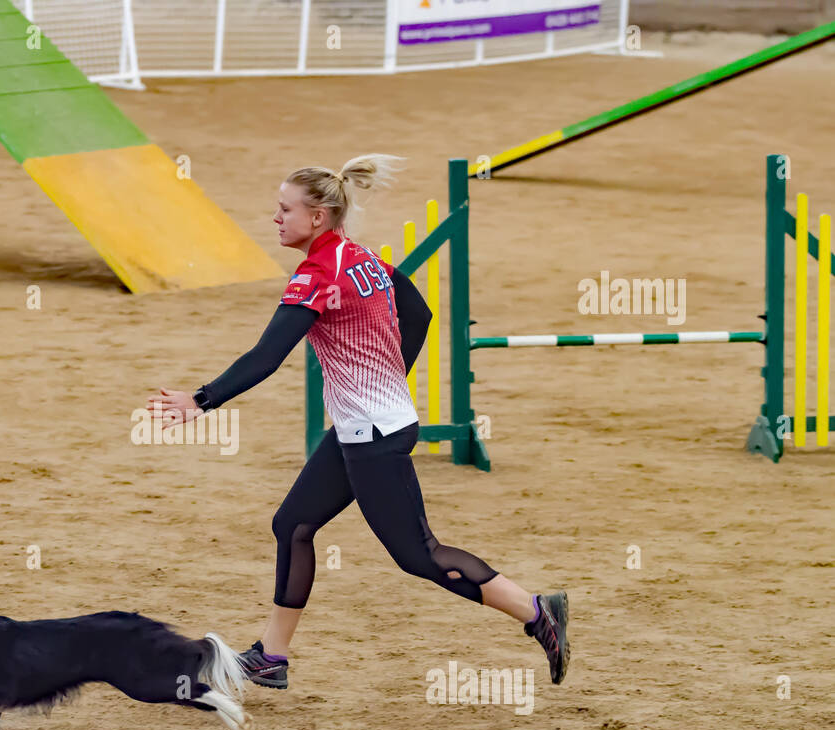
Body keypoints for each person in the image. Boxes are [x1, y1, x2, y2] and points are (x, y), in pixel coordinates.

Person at [146, 154, 569, 690]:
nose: (275, 218)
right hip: (368, 426)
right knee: (293, 525)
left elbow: (267, 357)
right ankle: (271, 657)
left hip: (373, 436)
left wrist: (200, 400)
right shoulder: (359, 257)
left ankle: (536, 611)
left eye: (284, 209)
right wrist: (389, 381)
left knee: (420, 555)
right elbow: (418, 314)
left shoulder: (320, 273)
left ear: (317, 217)